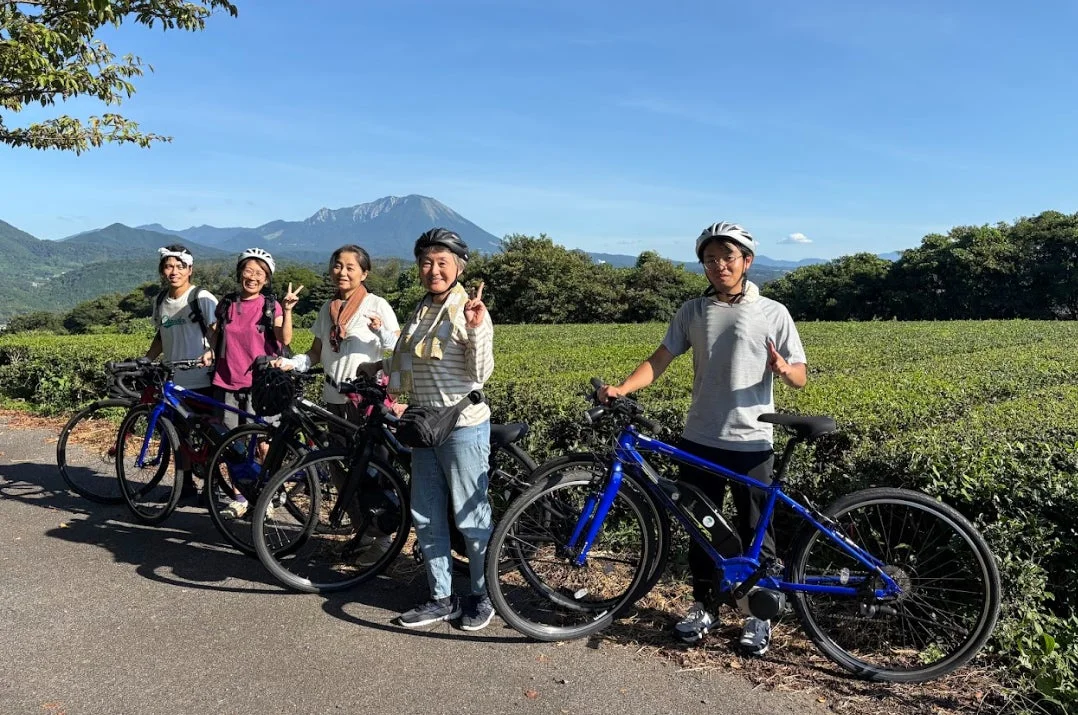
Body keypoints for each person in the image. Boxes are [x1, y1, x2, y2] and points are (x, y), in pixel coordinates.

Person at [598, 222, 807, 656]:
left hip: (751, 440)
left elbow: (800, 376)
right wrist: (622, 388)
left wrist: (785, 370)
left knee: (756, 532)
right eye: (710, 259)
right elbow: (660, 358)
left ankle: (758, 614)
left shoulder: (773, 312)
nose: (719, 265)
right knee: (701, 530)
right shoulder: (692, 311)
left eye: (728, 257)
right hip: (699, 437)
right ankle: (704, 605)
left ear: (746, 262)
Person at [385, 228, 496, 632]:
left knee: (470, 516)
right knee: (426, 515)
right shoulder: (420, 311)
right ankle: (442, 597)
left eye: (442, 262)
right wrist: (377, 371)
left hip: (462, 426)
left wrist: (475, 328)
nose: (433, 270)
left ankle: (484, 595)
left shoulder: (469, 310)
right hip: (425, 425)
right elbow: (410, 362)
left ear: (458, 268)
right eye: (426, 262)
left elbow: (480, 374)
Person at [275, 245, 400, 555]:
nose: (342, 272)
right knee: (340, 469)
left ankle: (383, 540)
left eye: (350, 267)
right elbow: (317, 352)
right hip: (333, 399)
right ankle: (362, 533)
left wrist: (380, 332)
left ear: (364, 273)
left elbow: (398, 348)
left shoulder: (377, 305)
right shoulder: (327, 308)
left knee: (372, 470)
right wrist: (294, 363)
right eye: (337, 265)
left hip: (364, 402)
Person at [210, 247, 303, 518]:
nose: (252, 277)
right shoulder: (227, 304)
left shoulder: (269, 306)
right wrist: (209, 349)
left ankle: (267, 495)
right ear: (240, 273)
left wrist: (287, 310)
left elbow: (285, 338)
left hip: (261, 385)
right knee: (232, 445)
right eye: (248, 271)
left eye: (259, 273)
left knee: (263, 443)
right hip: (227, 380)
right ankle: (240, 497)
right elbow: (217, 334)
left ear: (266, 279)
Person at [145, 244, 220, 499]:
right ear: (161, 270)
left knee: (209, 436)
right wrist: (147, 359)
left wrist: (212, 352)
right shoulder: (160, 301)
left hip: (203, 378)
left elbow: (217, 330)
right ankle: (185, 485)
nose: (174, 271)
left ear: (190, 269)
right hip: (174, 381)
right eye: (168, 266)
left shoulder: (200, 297)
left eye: (180, 266)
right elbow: (161, 334)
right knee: (179, 436)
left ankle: (211, 487)